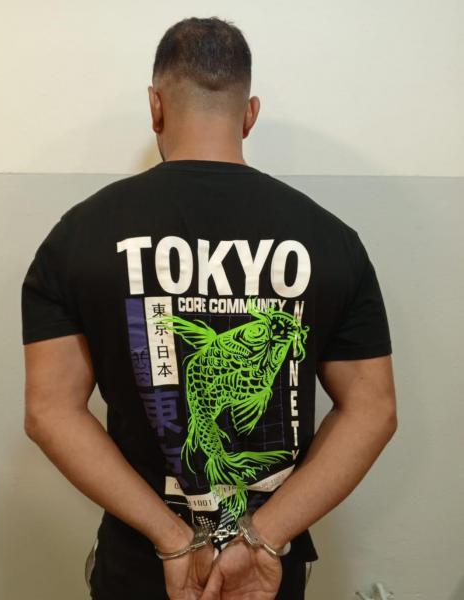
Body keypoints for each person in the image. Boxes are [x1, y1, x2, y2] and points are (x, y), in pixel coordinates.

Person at [21, 16, 397, 600]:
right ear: (250, 114)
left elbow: (50, 411)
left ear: (155, 107)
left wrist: (172, 538)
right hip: (264, 575)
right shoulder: (331, 240)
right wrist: (263, 536)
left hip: (142, 564)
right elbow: (373, 409)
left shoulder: (80, 236)